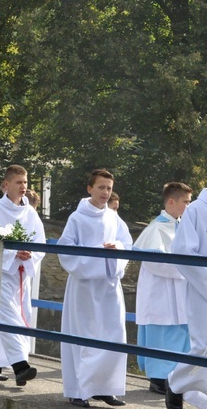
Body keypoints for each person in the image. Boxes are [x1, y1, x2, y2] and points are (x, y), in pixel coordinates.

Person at [57, 169, 131, 407]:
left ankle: (105, 388)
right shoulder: (77, 218)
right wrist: (97, 256)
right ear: (90, 189)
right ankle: (78, 390)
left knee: (113, 334)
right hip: (85, 288)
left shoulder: (113, 217)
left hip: (109, 286)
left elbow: (127, 243)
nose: (105, 193)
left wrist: (116, 248)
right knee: (84, 337)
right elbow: (65, 251)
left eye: (109, 188)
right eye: (101, 187)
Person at [0, 164, 46, 386]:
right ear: (6, 185)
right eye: (18, 182)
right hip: (3, 273)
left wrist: (31, 254)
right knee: (9, 316)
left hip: (22, 275)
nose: (23, 187)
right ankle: (21, 366)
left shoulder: (30, 213)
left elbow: (40, 243)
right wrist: (10, 253)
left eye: (25, 183)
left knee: (20, 316)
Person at [134, 182, 192, 395]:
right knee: (162, 335)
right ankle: (158, 379)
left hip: (181, 291)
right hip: (161, 294)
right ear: (171, 201)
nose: (189, 205)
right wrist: (186, 268)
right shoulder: (156, 228)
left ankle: (178, 379)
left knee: (181, 334)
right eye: (186, 201)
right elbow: (154, 262)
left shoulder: (182, 226)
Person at [166, 186, 207, 409]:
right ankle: (174, 384)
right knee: (203, 347)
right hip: (203, 293)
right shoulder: (196, 210)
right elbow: (183, 253)